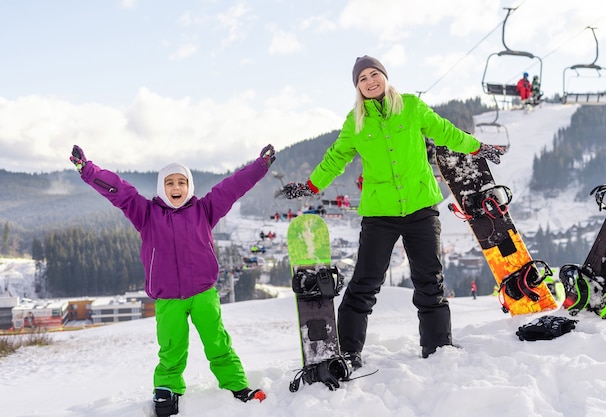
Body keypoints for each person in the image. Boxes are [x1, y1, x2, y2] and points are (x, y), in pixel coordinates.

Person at [278, 55, 504, 366]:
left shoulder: (410, 106)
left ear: (385, 76)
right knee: (365, 283)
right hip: (380, 214)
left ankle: (437, 347)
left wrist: (479, 148)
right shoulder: (355, 122)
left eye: (374, 74)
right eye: (363, 79)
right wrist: (311, 186)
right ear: (358, 87)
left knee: (429, 280)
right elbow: (335, 158)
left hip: (421, 207)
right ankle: (348, 351)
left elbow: (445, 131)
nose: (370, 81)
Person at [69, 143, 275, 416]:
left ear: (189, 186)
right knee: (171, 347)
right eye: (169, 183)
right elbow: (119, 191)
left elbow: (232, 187)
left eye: (181, 182)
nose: (175, 187)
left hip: (203, 293)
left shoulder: (205, 209)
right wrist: (88, 170)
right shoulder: (146, 214)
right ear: (160, 187)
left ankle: (236, 385)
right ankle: (167, 389)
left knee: (218, 343)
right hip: (168, 298)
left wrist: (259, 166)